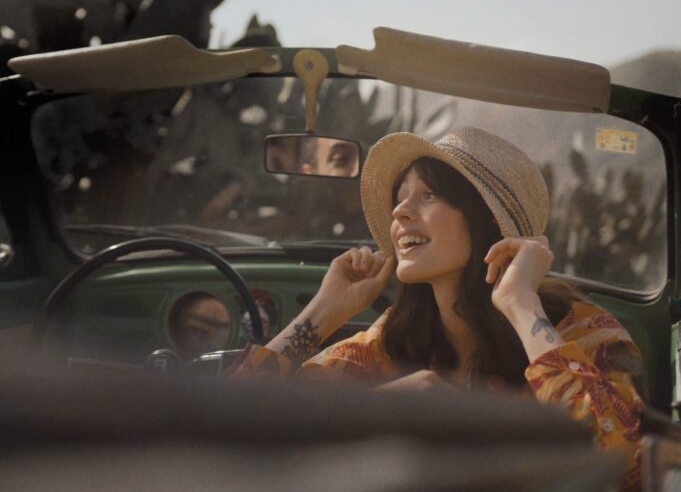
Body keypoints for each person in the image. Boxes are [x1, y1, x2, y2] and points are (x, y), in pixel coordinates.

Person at [233, 127, 645, 489]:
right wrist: (324, 311)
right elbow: (237, 424)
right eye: (399, 198)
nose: (399, 211)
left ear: (485, 221)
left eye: (429, 194)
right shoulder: (390, 338)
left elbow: (624, 467)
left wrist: (520, 303)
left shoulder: (585, 333)